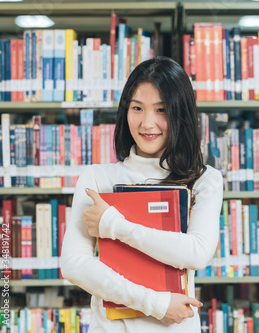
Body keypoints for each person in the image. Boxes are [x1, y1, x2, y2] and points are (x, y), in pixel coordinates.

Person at [61, 56, 223, 332]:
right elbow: (74, 265)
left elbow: (196, 253)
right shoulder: (98, 178)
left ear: (180, 115)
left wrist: (114, 225)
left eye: (161, 110)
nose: (148, 123)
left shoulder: (204, 179)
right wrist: (155, 304)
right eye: (137, 108)